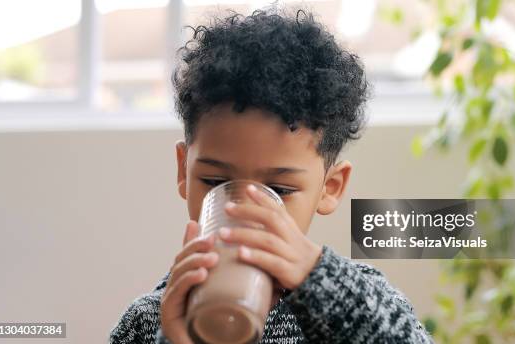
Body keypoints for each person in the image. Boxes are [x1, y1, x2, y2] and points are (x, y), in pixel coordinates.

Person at [109, 6, 433, 344]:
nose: (244, 211)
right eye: (217, 183)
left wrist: (320, 280)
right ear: (183, 170)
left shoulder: (357, 306)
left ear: (330, 187)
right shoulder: (150, 321)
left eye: (277, 189)